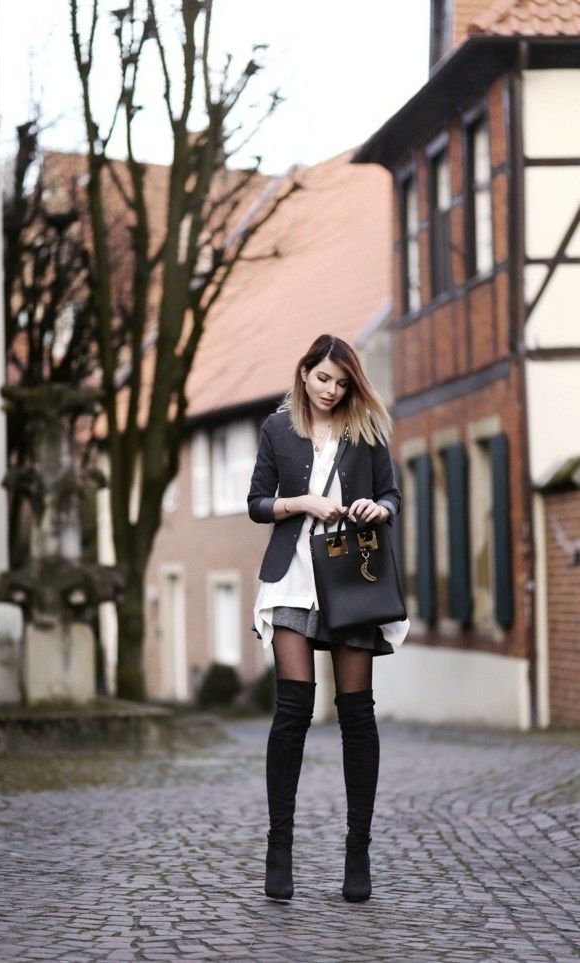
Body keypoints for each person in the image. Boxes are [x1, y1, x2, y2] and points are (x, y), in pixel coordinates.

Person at [247, 333, 410, 903]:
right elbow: (257, 502)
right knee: (291, 712)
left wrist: (376, 509)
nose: (330, 390)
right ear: (305, 371)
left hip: (351, 579)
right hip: (292, 574)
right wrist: (301, 504)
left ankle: (358, 850)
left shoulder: (367, 431)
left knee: (356, 715)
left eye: (340, 383)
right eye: (322, 378)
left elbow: (392, 496)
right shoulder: (277, 428)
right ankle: (279, 849)